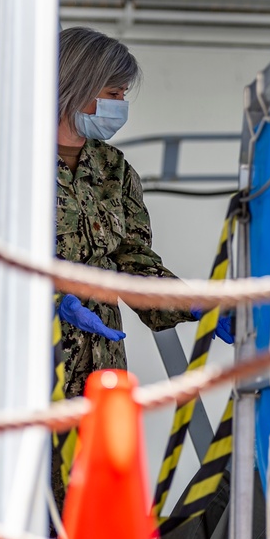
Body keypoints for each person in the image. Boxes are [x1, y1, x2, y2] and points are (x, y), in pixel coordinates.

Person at [52, 27, 230, 506]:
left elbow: (134, 260)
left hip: (100, 370)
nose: (120, 105)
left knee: (93, 505)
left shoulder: (113, 168)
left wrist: (193, 302)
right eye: (113, 93)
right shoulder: (13, 162)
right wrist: (51, 304)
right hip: (35, 369)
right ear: (78, 85)